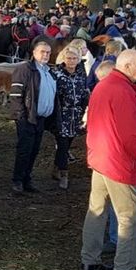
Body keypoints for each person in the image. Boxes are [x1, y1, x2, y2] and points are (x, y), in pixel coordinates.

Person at [80, 50, 136, 270]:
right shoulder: (123, 92)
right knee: (130, 214)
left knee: (97, 210)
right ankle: (124, 269)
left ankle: (90, 259)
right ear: (127, 66)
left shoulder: (104, 85)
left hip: (101, 157)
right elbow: (132, 133)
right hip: (118, 161)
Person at [6, 39, 56, 193]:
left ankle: (27, 178)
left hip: (40, 118)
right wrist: (21, 116)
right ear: (34, 53)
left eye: (48, 52)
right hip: (27, 117)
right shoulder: (25, 69)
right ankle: (18, 180)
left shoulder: (49, 71)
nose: (46, 55)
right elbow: (16, 94)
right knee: (24, 149)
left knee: (34, 149)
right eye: (42, 51)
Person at [49, 45, 89, 190]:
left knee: (67, 144)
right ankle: (64, 174)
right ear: (64, 59)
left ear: (78, 59)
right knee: (63, 144)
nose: (71, 61)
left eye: (74, 58)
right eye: (69, 58)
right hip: (62, 115)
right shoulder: (57, 74)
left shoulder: (81, 75)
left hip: (76, 115)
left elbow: (84, 92)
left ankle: (55, 168)